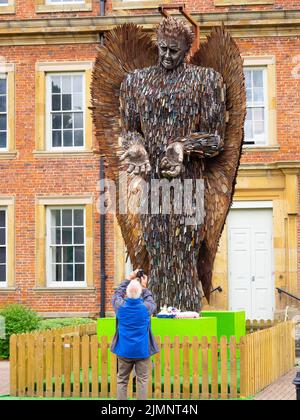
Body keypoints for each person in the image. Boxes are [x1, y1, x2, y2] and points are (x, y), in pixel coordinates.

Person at [111, 269, 159, 400]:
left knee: (122, 380)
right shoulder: (146, 308)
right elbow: (150, 300)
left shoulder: (120, 307)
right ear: (140, 294)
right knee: (142, 380)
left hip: (124, 350)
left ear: (127, 293)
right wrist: (144, 287)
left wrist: (129, 278)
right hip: (142, 350)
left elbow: (116, 295)